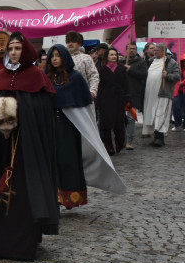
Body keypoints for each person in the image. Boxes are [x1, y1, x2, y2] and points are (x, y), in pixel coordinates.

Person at [0, 33, 57, 260]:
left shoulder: (37, 77)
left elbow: (41, 115)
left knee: (25, 191)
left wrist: (22, 116)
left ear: (26, 51)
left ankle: (22, 243)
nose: (13, 52)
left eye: (18, 48)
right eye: (10, 48)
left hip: (25, 151)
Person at [45, 45, 126, 208]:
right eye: (52, 56)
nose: (54, 59)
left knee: (68, 160)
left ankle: (70, 197)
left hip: (69, 126)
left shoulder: (75, 78)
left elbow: (83, 105)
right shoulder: (47, 78)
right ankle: (55, 197)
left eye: (58, 55)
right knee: (52, 161)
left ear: (65, 57)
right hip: (51, 124)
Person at [141, 43, 181, 147]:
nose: (155, 52)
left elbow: (178, 76)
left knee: (161, 114)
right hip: (150, 93)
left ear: (163, 51)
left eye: (157, 50)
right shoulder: (150, 61)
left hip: (163, 93)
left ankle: (160, 137)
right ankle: (155, 136)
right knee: (152, 115)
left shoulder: (171, 62)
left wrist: (168, 75)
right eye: (154, 50)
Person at [95, 47, 128, 155]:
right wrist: (98, 102)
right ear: (107, 56)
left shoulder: (122, 69)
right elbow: (99, 87)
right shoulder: (102, 70)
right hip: (106, 100)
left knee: (119, 125)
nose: (114, 56)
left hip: (119, 100)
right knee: (106, 125)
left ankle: (120, 143)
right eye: (111, 55)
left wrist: (127, 98)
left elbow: (126, 85)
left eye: (115, 55)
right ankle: (109, 147)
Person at [123, 42, 147, 150]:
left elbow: (144, 75)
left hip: (133, 94)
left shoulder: (141, 62)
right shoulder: (121, 61)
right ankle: (122, 139)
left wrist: (130, 70)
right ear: (126, 50)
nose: (131, 50)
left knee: (131, 118)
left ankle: (129, 141)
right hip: (121, 94)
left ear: (136, 50)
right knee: (121, 118)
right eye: (130, 48)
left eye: (133, 49)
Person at [65, 30, 99, 97]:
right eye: (68, 42)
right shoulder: (62, 58)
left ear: (79, 43)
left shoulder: (86, 58)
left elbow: (93, 75)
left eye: (73, 41)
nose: (70, 44)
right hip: (65, 95)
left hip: (83, 95)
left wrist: (92, 91)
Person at [171, 52, 185, 132]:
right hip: (177, 90)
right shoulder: (178, 68)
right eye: (184, 61)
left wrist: (183, 82)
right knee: (176, 108)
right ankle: (177, 124)